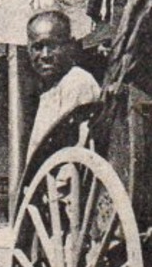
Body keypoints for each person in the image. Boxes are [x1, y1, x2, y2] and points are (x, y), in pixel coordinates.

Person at [25, 10, 101, 162]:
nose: (45, 55)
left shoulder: (77, 82)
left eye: (53, 46)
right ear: (28, 49)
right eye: (38, 47)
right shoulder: (50, 88)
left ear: (71, 45)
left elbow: (75, 154)